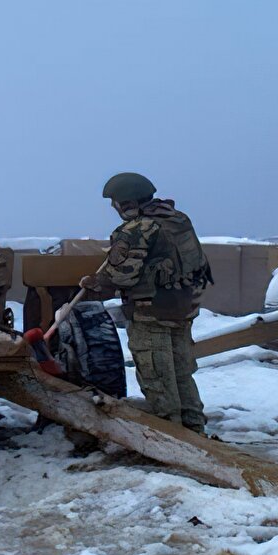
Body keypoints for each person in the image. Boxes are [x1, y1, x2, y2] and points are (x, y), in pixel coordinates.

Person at [80, 173, 213, 433]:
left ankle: (172, 438)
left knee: (158, 377)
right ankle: (193, 428)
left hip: (150, 314)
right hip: (183, 309)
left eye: (115, 202)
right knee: (181, 372)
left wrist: (96, 282)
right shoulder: (179, 220)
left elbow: (122, 275)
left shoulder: (135, 230)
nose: (113, 208)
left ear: (127, 202)